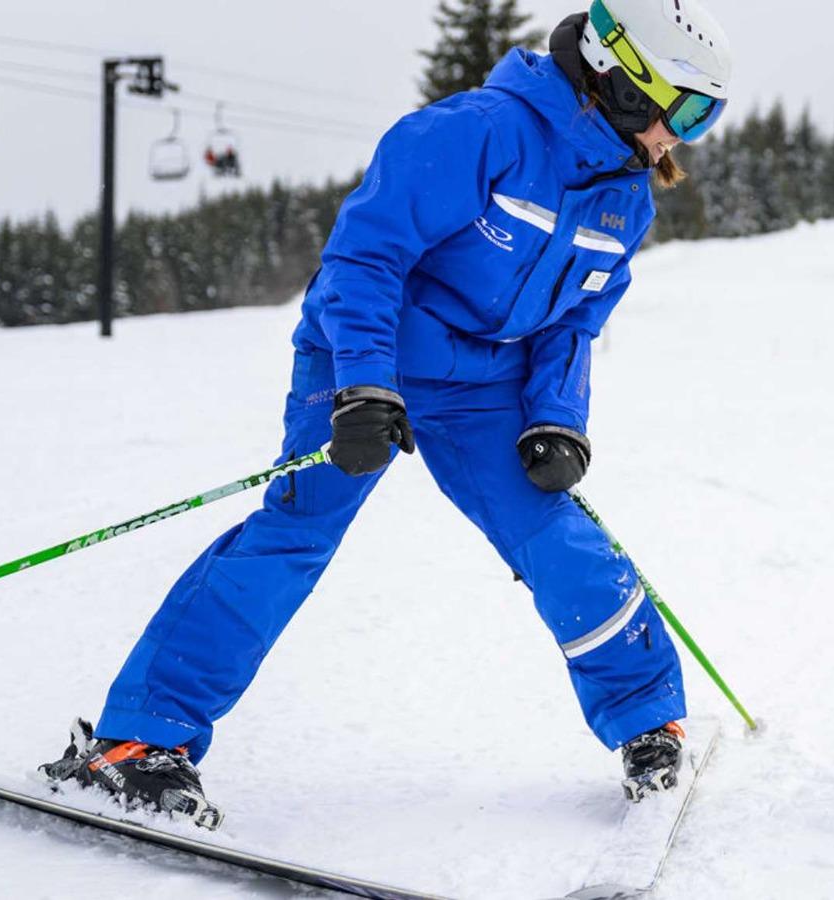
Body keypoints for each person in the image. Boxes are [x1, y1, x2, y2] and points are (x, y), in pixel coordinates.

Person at [40, 0, 733, 829]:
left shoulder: (625, 198)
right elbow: (365, 260)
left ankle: (648, 720)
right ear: (624, 79)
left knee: (557, 536)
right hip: (364, 354)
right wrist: (364, 386)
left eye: (704, 119)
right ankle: (138, 741)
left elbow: (575, 320)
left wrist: (555, 416)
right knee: (297, 531)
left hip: (484, 386)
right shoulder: (474, 133)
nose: (681, 139)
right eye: (684, 113)